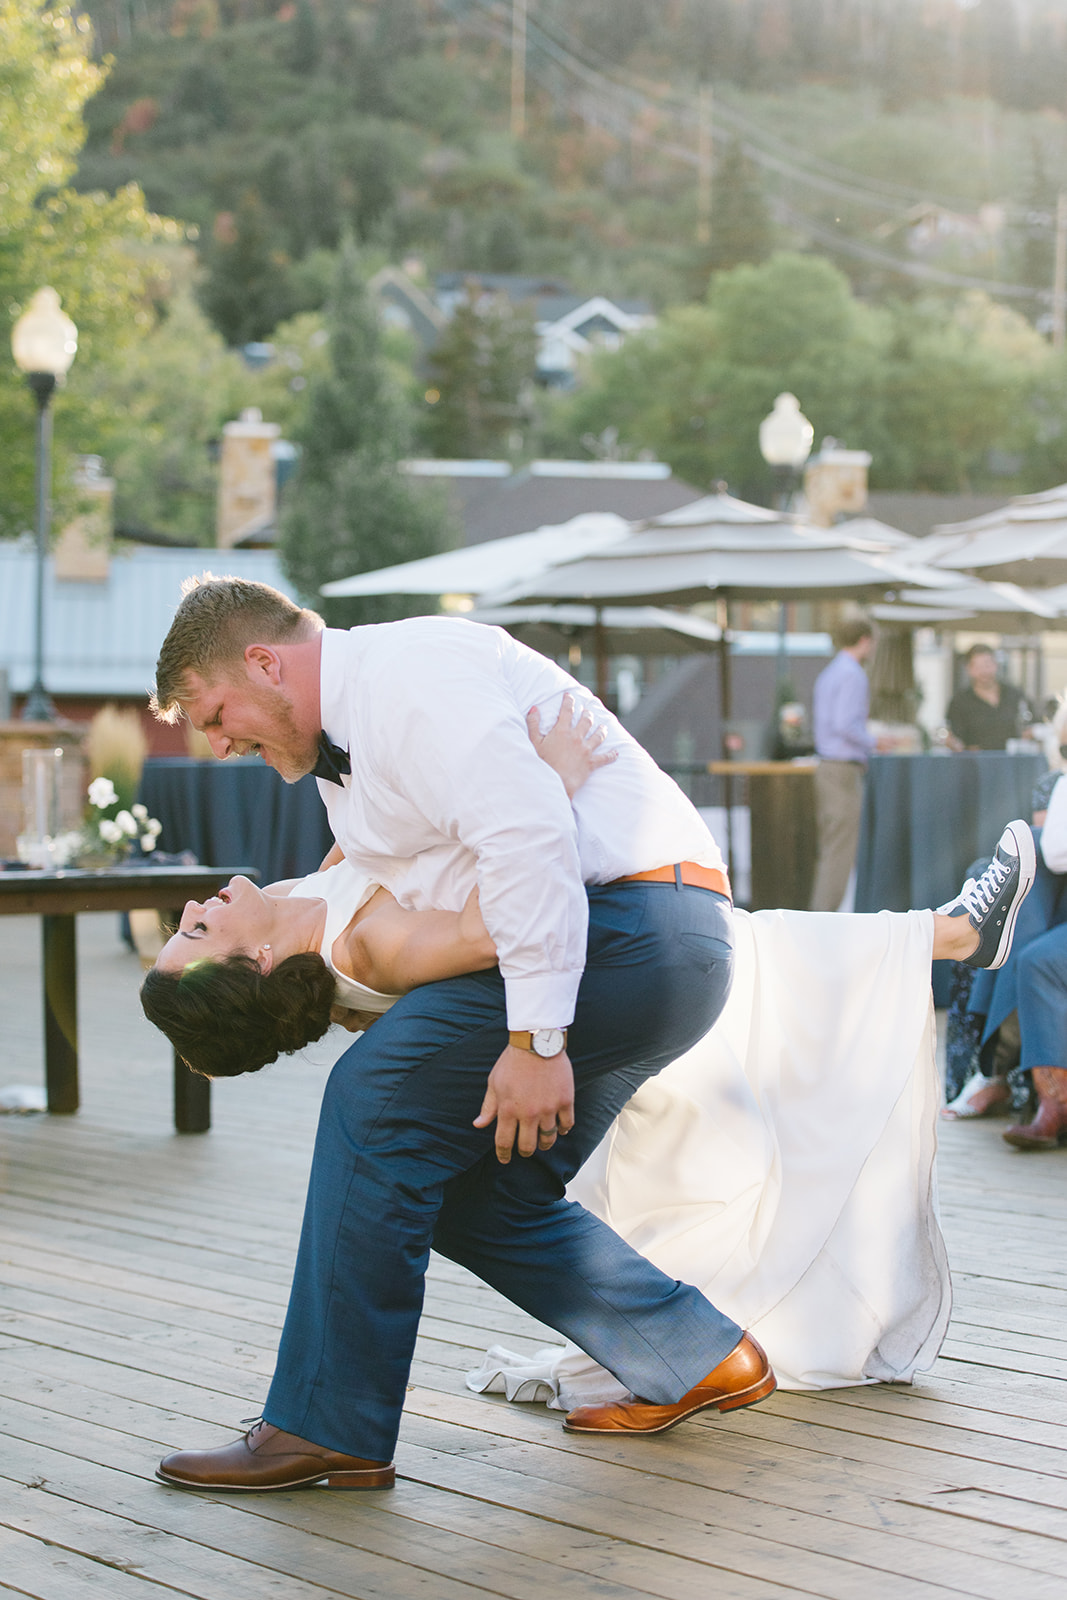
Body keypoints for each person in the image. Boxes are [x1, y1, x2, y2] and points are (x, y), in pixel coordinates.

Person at [142, 689, 1036, 1403]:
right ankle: (948, 933)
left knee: (758, 956)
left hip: (600, 967)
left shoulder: (305, 899)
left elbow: (387, 836)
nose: (190, 910)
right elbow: (489, 926)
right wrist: (547, 784)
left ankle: (946, 933)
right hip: (568, 999)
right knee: (758, 960)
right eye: (192, 935)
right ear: (256, 962)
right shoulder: (363, 947)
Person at [146, 575, 762, 1493]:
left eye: (214, 712)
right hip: (642, 941)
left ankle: (327, 1425)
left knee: (372, 1100)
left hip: (627, 927)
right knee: (482, 1196)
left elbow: (528, 842)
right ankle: (696, 1354)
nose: (219, 741)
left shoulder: (410, 680)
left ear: (266, 662)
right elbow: (424, 881)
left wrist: (535, 1043)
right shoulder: (347, 757)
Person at [810, 617, 877, 913]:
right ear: (864, 640)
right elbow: (845, 723)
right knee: (840, 852)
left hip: (829, 766)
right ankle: (822, 920)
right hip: (842, 769)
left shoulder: (831, 672)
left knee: (833, 847)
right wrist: (875, 742)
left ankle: (820, 918)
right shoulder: (853, 674)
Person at [946, 643, 1030, 752]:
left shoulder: (1014, 695)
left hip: (1013, 761)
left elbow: (1032, 722)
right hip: (976, 764)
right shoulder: (959, 701)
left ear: (996, 665)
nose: (984, 672)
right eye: (978, 667)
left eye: (988, 665)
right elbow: (955, 737)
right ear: (969, 669)